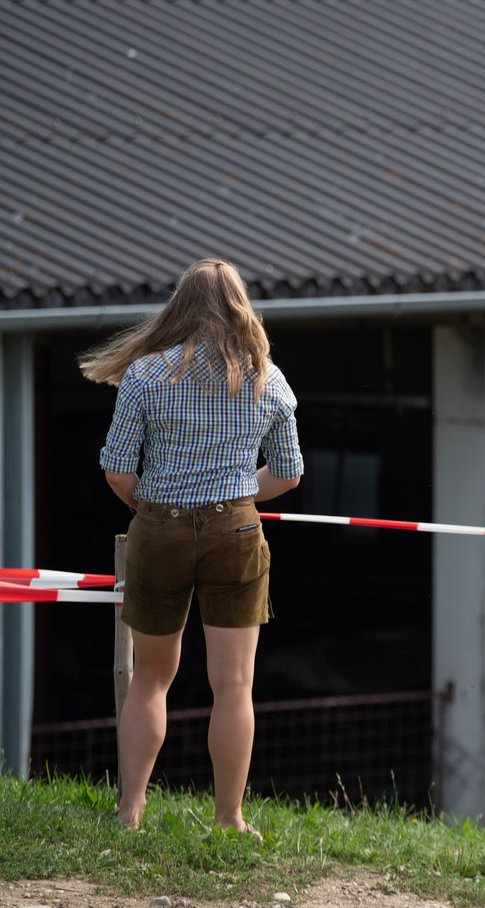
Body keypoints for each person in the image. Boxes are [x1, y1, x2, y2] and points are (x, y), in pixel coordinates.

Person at [81, 259, 304, 837]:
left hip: (160, 528)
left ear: (179, 305)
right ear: (240, 306)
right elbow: (288, 473)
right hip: (236, 533)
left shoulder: (145, 374)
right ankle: (229, 818)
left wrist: (157, 504)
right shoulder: (268, 377)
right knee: (234, 686)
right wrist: (235, 491)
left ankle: (130, 811)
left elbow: (117, 470)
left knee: (151, 679)